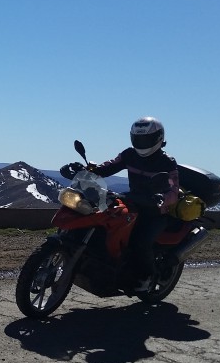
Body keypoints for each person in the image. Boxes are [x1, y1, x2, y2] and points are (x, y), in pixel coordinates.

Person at [63, 117, 179, 292]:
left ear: (158, 139)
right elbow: (109, 167)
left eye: (145, 139)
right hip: (132, 200)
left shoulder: (167, 162)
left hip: (154, 209)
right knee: (103, 221)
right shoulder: (129, 154)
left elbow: (173, 189)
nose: (141, 143)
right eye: (138, 139)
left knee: (141, 242)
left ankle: (146, 277)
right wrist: (88, 170)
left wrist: (163, 199)